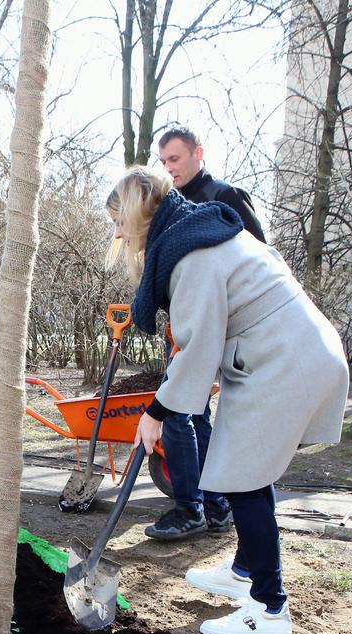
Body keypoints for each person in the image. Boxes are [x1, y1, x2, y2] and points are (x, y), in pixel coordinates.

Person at [106, 166, 348, 634]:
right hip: (287, 353)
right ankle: (242, 572)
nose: (115, 233)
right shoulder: (202, 231)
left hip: (282, 362)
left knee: (242, 478)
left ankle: (269, 609)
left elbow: (196, 349)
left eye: (118, 221)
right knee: (246, 473)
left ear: (138, 217)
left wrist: (155, 413)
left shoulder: (191, 256)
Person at [145, 126, 266, 542]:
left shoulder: (223, 196)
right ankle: (213, 506)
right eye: (163, 162)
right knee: (194, 417)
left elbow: (257, 254)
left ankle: (190, 508)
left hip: (217, 330)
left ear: (199, 153)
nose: (169, 168)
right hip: (185, 327)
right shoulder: (166, 204)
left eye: (175, 159)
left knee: (180, 413)